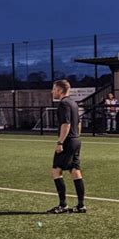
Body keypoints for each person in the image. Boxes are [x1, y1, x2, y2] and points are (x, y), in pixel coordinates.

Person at [48, 79, 86, 214]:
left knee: (56, 170)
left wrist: (60, 143)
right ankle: (81, 205)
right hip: (76, 140)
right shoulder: (73, 103)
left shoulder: (63, 103)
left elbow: (66, 124)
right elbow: (79, 123)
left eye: (54, 89)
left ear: (60, 90)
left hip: (68, 141)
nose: (52, 91)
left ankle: (63, 205)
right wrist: (76, 136)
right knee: (75, 170)